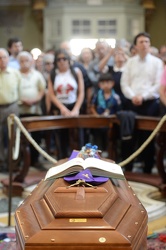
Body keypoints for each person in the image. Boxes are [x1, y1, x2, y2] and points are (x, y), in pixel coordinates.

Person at [120, 32, 164, 173]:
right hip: (131, 103)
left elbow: (158, 85)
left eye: (147, 41)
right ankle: (128, 170)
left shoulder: (157, 63)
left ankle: (147, 169)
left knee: (148, 138)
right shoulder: (130, 62)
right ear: (136, 46)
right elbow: (124, 83)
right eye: (141, 42)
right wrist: (134, 96)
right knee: (129, 137)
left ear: (150, 44)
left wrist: (143, 96)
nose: (144, 44)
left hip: (150, 104)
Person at [47, 48, 84, 159]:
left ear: (68, 60)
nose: (62, 61)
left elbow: (81, 92)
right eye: (59, 59)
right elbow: (51, 94)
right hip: (59, 107)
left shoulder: (76, 72)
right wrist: (62, 108)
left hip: (74, 105)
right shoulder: (53, 74)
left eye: (64, 59)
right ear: (56, 62)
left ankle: (79, 164)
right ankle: (62, 162)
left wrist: (76, 109)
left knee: (77, 138)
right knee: (61, 139)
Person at [18, 51, 46, 168]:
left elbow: (42, 89)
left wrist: (35, 100)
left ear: (31, 61)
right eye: (22, 61)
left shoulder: (37, 74)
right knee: (21, 138)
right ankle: (23, 161)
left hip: (35, 110)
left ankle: (35, 160)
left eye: (26, 60)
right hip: (20, 111)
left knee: (36, 137)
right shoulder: (16, 74)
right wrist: (23, 99)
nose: (24, 63)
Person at [0, 48, 21, 172]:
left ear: (8, 59)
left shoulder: (15, 73)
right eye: (0, 58)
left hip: (12, 106)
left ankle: (12, 163)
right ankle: (1, 162)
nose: (2, 60)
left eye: (4, 57)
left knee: (12, 136)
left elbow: (20, 91)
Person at [90, 73, 121, 153]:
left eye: (108, 82)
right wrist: (96, 115)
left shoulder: (116, 97)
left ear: (112, 83)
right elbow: (92, 107)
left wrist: (114, 116)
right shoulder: (97, 95)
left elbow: (119, 111)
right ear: (99, 85)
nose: (106, 85)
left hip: (111, 124)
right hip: (99, 122)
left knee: (110, 141)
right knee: (98, 141)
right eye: (103, 83)